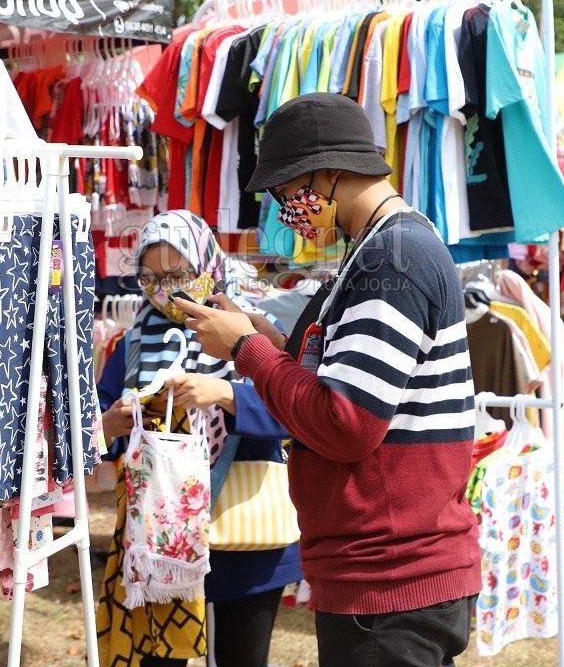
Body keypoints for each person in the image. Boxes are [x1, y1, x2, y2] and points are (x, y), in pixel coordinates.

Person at [176, 93, 479, 666]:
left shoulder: (391, 258)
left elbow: (348, 423)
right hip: (383, 569)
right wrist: (266, 338)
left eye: (290, 192)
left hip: (391, 576)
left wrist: (246, 350)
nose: (286, 209)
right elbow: (349, 379)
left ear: (331, 171)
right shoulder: (380, 251)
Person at [96, 210, 301, 667]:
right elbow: (99, 435)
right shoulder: (130, 345)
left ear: (209, 267)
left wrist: (226, 395)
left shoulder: (251, 333)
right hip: (158, 544)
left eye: (178, 274)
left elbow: (297, 412)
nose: (165, 289)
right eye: (149, 277)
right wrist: (114, 423)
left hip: (243, 539)